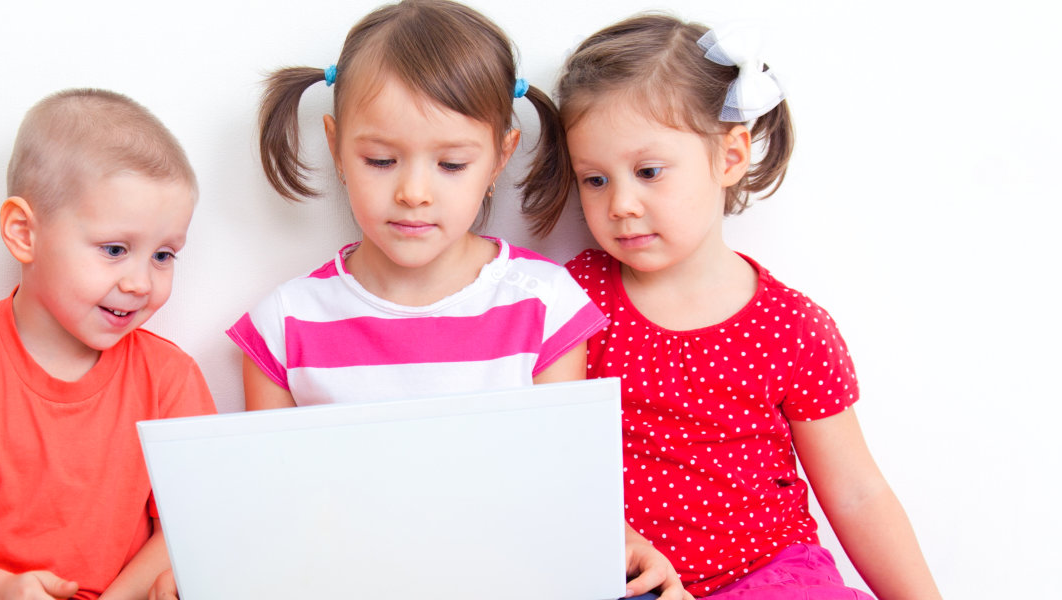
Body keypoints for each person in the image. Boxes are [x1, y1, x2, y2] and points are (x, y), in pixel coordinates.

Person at [228, 2, 682, 597]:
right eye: (381, 160)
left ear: (499, 155)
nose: (414, 192)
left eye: (450, 163)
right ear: (336, 146)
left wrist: (621, 538)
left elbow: (565, 481)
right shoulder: (283, 325)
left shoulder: (543, 304)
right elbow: (281, 507)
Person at [533, 13, 942, 599]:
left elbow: (856, 492)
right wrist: (617, 541)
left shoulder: (791, 327)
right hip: (630, 575)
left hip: (771, 575)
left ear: (729, 157)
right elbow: (555, 453)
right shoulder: (575, 301)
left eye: (649, 172)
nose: (621, 203)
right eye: (594, 180)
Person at [0, 88, 215, 600]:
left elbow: (185, 526)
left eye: (164, 255)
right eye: (115, 249)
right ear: (23, 233)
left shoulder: (172, 379)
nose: (141, 283)